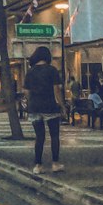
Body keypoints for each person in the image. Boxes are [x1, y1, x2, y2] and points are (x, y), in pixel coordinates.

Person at [24, 46, 64, 174]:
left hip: (35, 107)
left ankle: (38, 165)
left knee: (39, 137)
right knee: (54, 136)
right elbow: (56, 90)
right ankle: (55, 163)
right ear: (47, 57)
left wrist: (31, 102)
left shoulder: (30, 72)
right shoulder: (52, 70)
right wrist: (62, 105)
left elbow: (26, 92)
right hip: (50, 106)